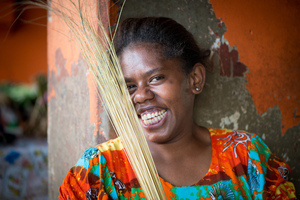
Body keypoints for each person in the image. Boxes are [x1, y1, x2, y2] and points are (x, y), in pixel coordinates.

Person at [59, 17, 296, 199]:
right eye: (129, 86)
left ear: (195, 80)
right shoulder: (98, 173)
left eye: (156, 78)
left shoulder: (247, 157)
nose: (140, 95)